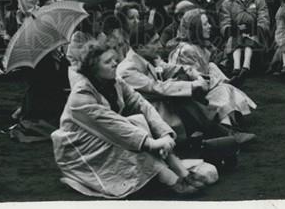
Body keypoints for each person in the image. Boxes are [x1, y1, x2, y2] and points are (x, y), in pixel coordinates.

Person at [52, 39, 218, 197]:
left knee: (139, 120)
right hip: (81, 146)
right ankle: (170, 179)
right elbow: (112, 125)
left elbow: (142, 105)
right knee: (129, 136)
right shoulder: (81, 95)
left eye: (114, 59)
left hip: (107, 133)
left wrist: (164, 134)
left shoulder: (115, 82)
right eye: (108, 62)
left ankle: (180, 170)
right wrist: (151, 143)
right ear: (93, 69)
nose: (115, 63)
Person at [169, 9, 257, 126]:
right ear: (196, 28)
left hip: (203, 87)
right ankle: (226, 123)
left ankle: (231, 118)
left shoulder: (200, 46)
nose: (210, 26)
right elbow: (190, 79)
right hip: (190, 95)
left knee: (222, 82)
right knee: (223, 90)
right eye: (205, 24)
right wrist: (214, 82)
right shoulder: (187, 50)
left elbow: (209, 65)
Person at [218, 0, 271, 83]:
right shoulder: (228, 3)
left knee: (248, 38)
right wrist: (234, 30)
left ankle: (245, 67)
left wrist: (253, 29)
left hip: (255, 38)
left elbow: (264, 21)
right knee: (237, 37)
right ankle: (237, 69)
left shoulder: (259, 1)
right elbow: (224, 23)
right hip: (234, 40)